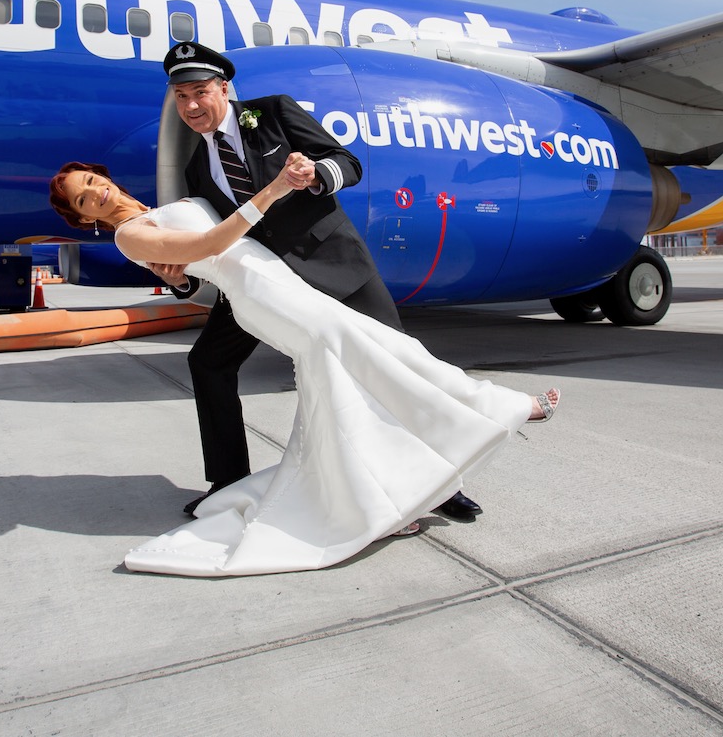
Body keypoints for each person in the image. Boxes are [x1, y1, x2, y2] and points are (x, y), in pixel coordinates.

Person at [48, 160, 560, 577]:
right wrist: (271, 191)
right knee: (364, 357)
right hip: (262, 296)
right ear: (84, 217)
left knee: (367, 359)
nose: (98, 192)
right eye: (85, 198)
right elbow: (206, 247)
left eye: (93, 180)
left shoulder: (162, 205)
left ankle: (392, 488)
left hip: (282, 281)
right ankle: (498, 409)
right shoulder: (130, 235)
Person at [149, 41, 485, 525]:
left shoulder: (273, 113)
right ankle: (228, 481)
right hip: (267, 282)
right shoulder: (196, 169)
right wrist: (180, 280)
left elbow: (347, 162)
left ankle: (439, 486)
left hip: (332, 261)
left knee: (397, 365)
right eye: (182, 97)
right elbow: (210, 243)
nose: (193, 106)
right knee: (207, 362)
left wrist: (315, 174)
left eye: (201, 92)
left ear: (223, 88)